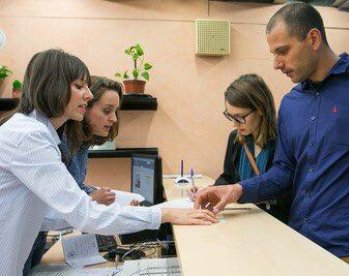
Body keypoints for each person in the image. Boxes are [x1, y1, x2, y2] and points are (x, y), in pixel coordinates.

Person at [194, 2, 349, 275]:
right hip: (299, 245)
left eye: (282, 51)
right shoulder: (291, 104)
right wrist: (237, 190)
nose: (276, 64)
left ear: (313, 38)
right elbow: (285, 172)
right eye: (273, 54)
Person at [0, 49, 217, 275]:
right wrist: (164, 214)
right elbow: (83, 214)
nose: (87, 95)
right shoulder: (29, 136)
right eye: (79, 86)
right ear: (52, 86)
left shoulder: (38, 133)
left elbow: (53, 212)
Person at [22, 75, 132, 274]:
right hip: (22, 239)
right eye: (107, 111)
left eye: (114, 112)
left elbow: (73, 185)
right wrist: (91, 199)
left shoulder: (80, 144)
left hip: (35, 240)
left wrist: (107, 196)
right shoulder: (55, 142)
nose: (114, 119)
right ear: (85, 107)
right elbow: (50, 201)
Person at [189, 74, 291, 223]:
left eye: (240, 117)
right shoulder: (236, 138)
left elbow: (282, 187)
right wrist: (210, 191)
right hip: (245, 218)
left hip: (275, 222)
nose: (235, 124)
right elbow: (228, 177)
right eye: (230, 116)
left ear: (260, 109)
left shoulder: (283, 139)